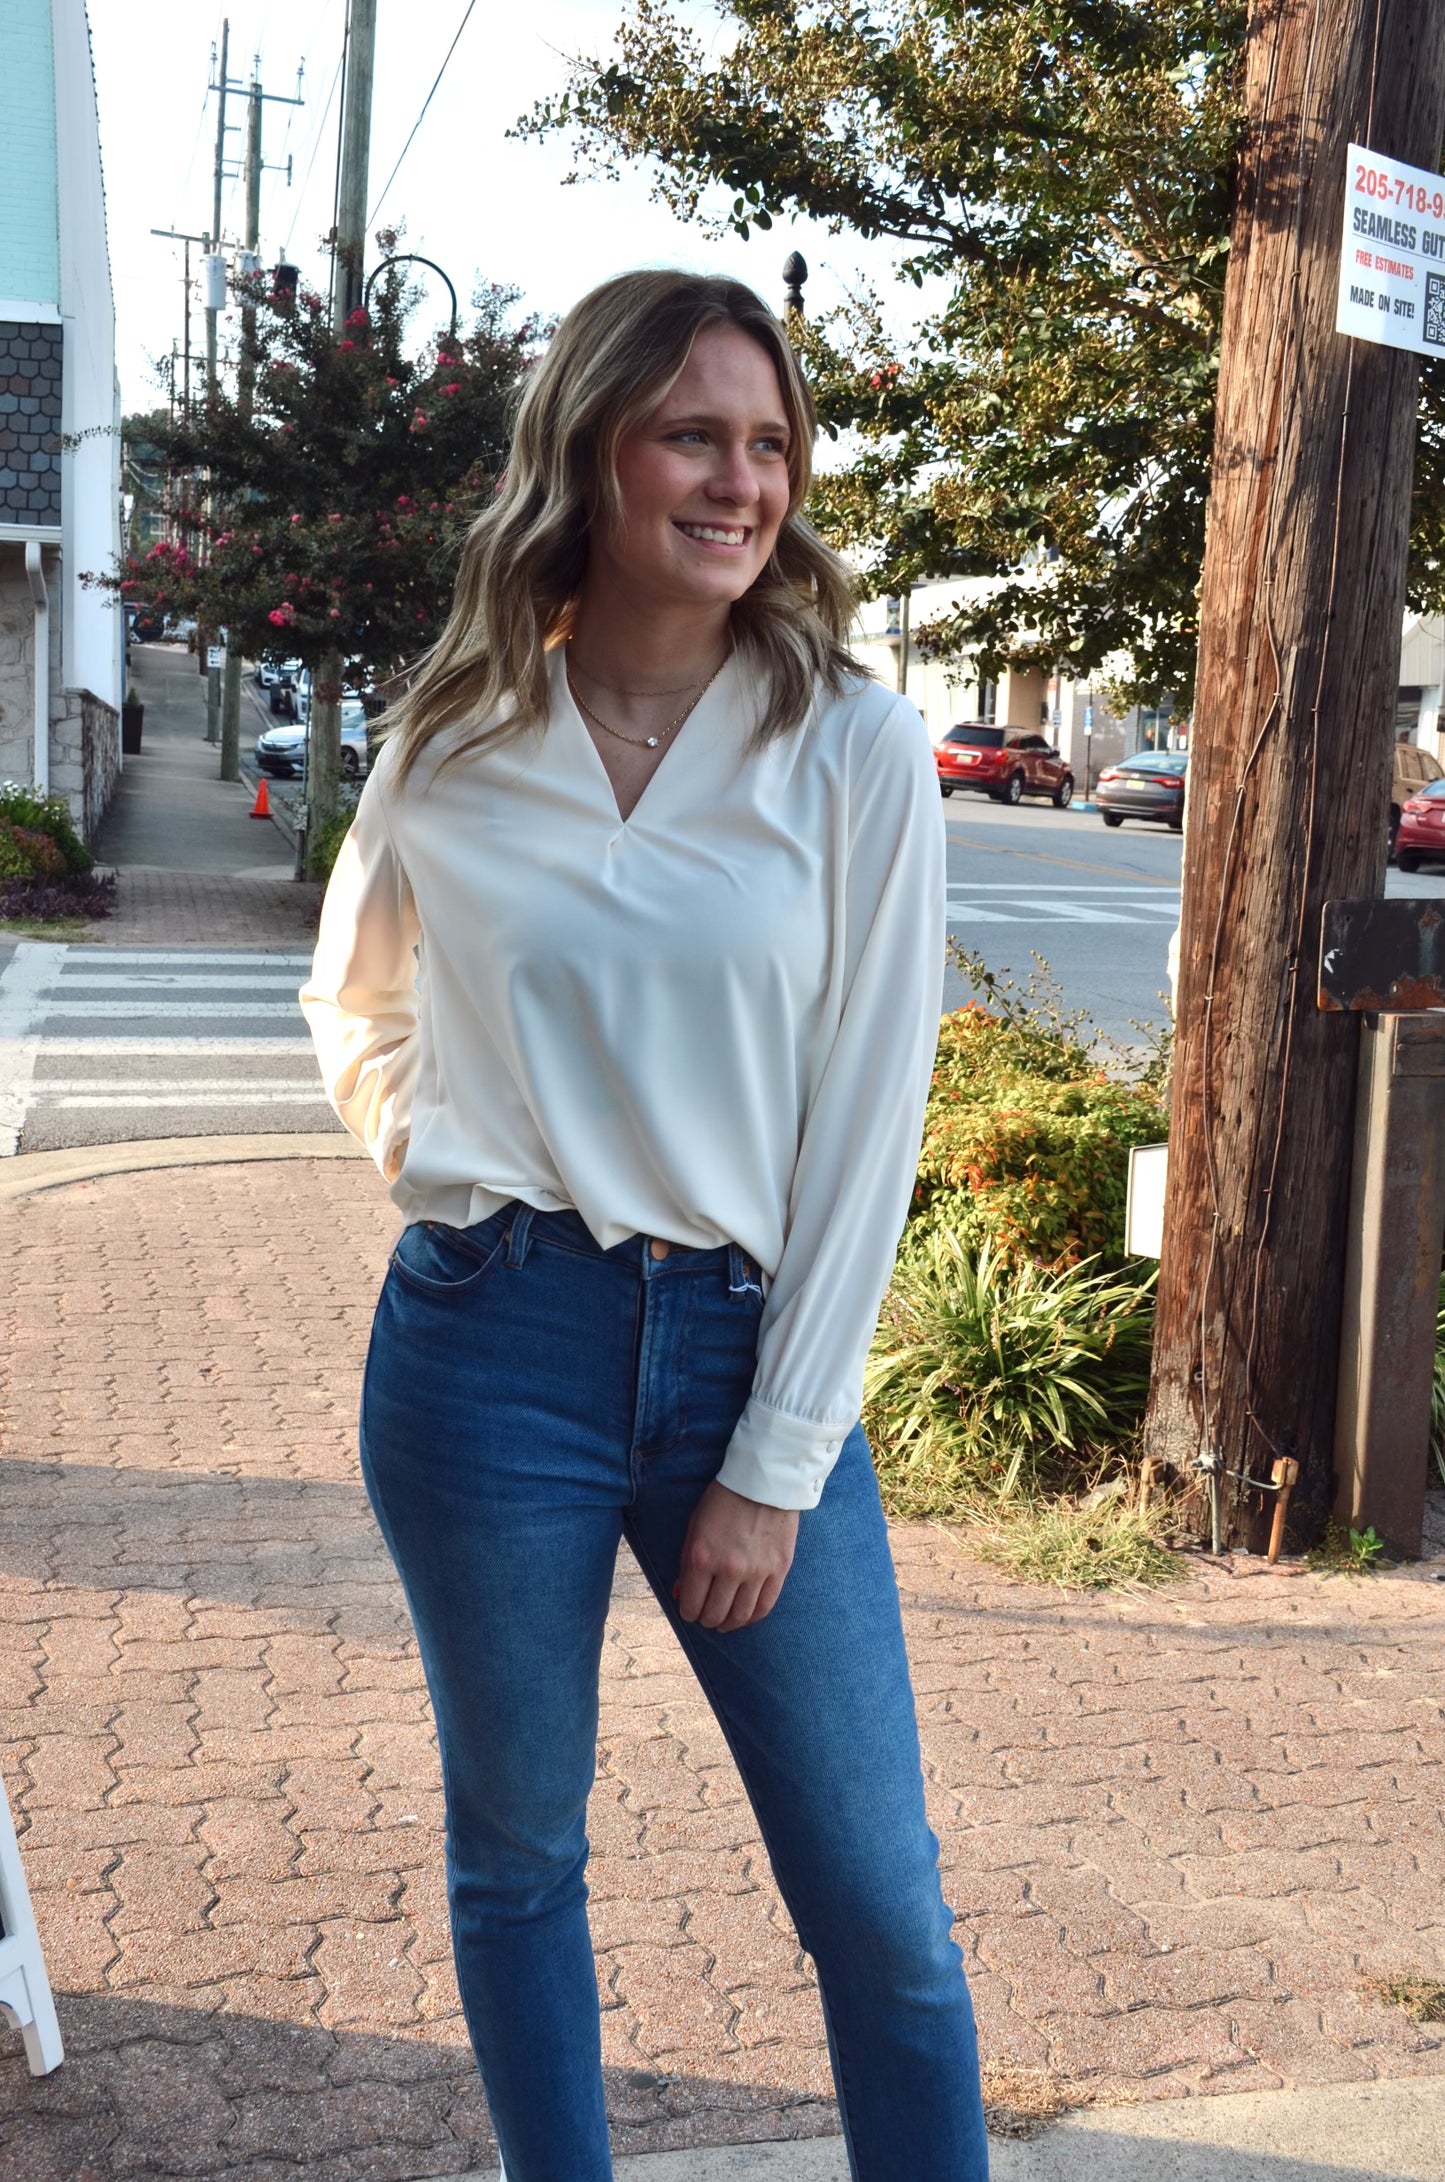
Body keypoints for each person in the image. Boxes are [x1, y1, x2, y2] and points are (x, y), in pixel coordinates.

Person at [301, 269, 989, 2182]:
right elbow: (352, 997)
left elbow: (869, 1121)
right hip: (484, 1345)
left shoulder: (849, 740)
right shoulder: (455, 726)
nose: (739, 480)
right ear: (591, 453)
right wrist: (431, 1151)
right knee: (518, 1857)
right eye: (694, 432)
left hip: (744, 1357)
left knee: (876, 1896)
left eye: (767, 444)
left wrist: (774, 1457)